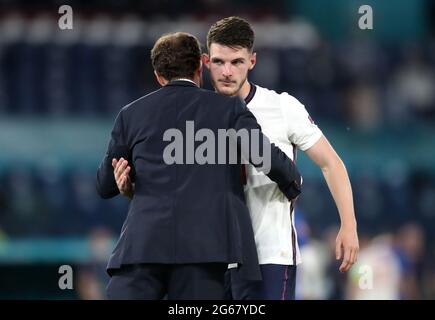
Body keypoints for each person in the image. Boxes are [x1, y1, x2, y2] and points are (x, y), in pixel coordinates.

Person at [114, 17, 359, 300]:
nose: (227, 71)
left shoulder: (282, 107)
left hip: (269, 253)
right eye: (219, 62)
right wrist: (133, 190)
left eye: (237, 62)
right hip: (209, 257)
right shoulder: (192, 114)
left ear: (252, 62)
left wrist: (349, 225)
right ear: (205, 61)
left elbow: (331, 163)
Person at [96, 32, 302, 300]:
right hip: (204, 254)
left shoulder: (131, 115)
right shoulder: (229, 108)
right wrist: (293, 183)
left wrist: (129, 183)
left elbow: (105, 185)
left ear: (159, 76)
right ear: (199, 69)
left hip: (142, 249)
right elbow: (270, 161)